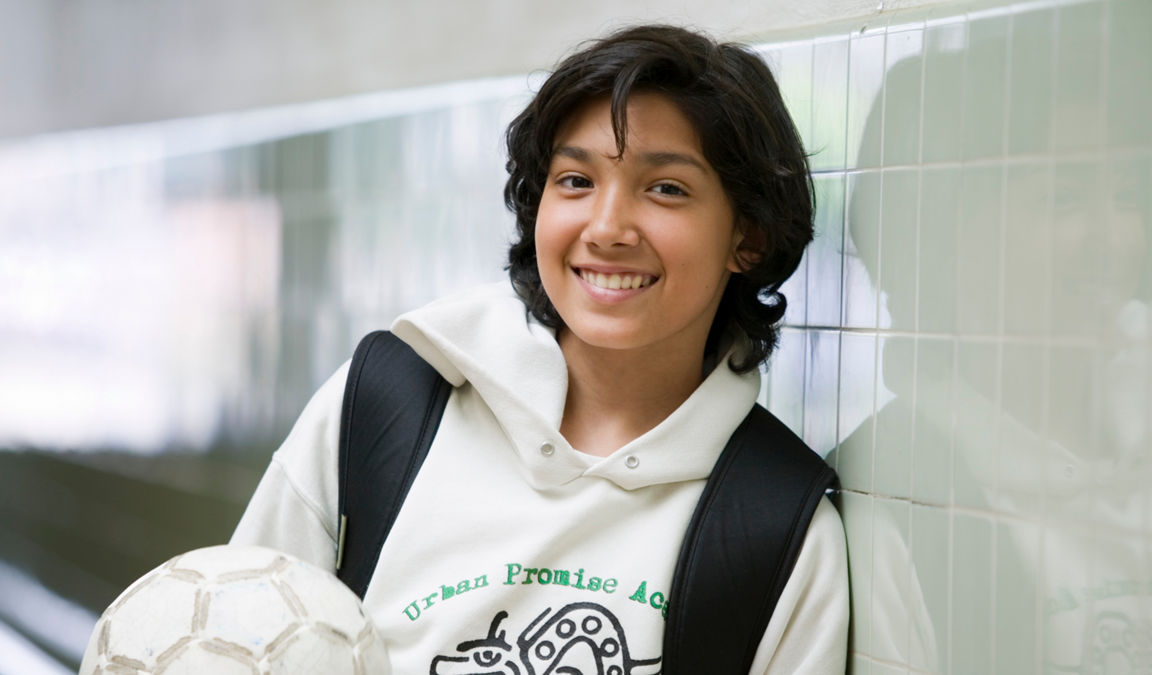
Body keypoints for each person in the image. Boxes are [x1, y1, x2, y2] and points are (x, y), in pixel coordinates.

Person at [231, 24, 848, 674]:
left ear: (746, 238)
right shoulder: (383, 407)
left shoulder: (779, 528)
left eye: (666, 187)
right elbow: (230, 646)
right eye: (576, 180)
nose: (606, 229)